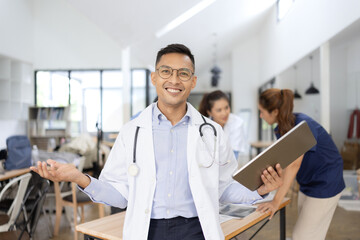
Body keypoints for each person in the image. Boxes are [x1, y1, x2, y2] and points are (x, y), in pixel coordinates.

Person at [31, 44, 283, 240]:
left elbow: (224, 188)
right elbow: (120, 196)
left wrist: (260, 190)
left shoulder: (213, 132)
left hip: (198, 230)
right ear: (154, 78)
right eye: (166, 71)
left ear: (192, 81)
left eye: (183, 73)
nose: (174, 80)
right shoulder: (132, 132)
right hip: (147, 231)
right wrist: (78, 177)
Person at [256, 88, 345, 240]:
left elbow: (293, 165)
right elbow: (285, 162)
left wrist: (276, 201)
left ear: (275, 111)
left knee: (302, 236)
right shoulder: (281, 129)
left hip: (326, 183)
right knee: (311, 234)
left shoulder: (303, 125)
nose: (260, 115)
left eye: (262, 111)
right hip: (308, 183)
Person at [199, 90, 246, 159]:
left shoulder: (237, 123)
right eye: (219, 110)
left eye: (226, 108)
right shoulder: (202, 127)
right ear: (210, 112)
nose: (224, 113)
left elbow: (233, 156)